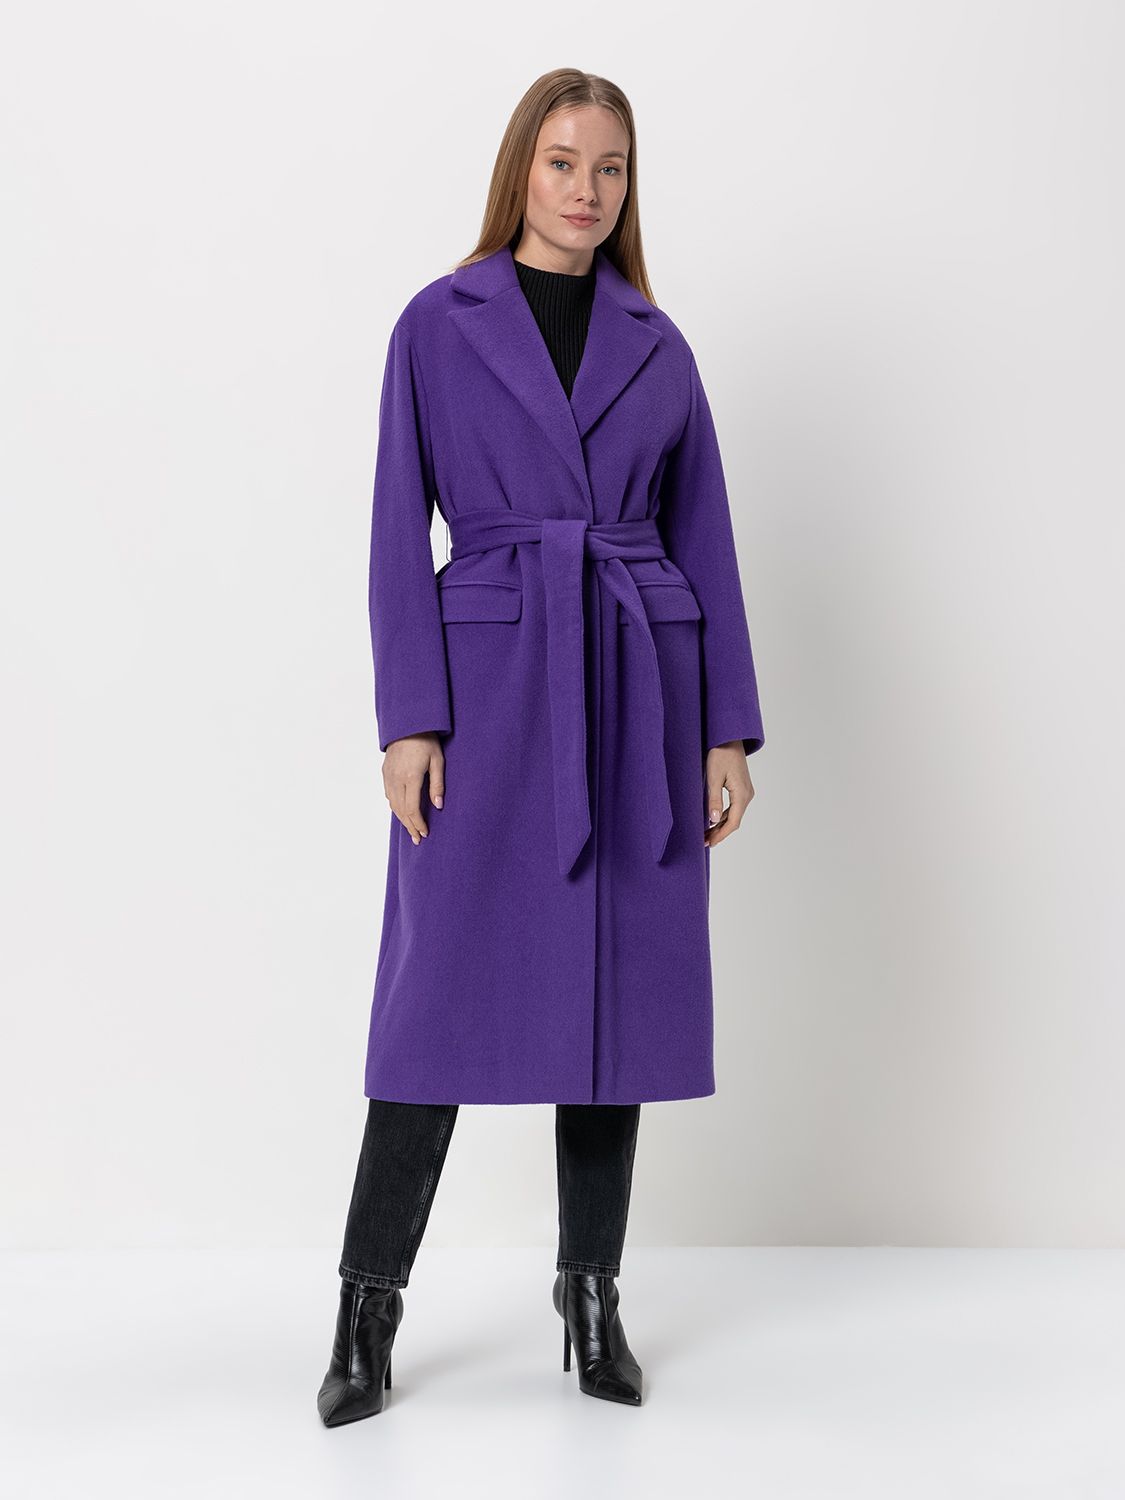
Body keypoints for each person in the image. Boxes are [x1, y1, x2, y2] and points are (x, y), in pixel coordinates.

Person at [318, 67, 765, 1426]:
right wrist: (410, 718)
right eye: (564, 162)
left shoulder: (658, 344)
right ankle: (364, 1314)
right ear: (522, 168)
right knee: (433, 1005)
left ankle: (589, 1302)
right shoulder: (437, 324)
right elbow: (396, 526)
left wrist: (723, 729)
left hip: (636, 688)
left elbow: (703, 537)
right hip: (493, 686)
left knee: (611, 1005)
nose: (586, 189)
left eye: (611, 168)